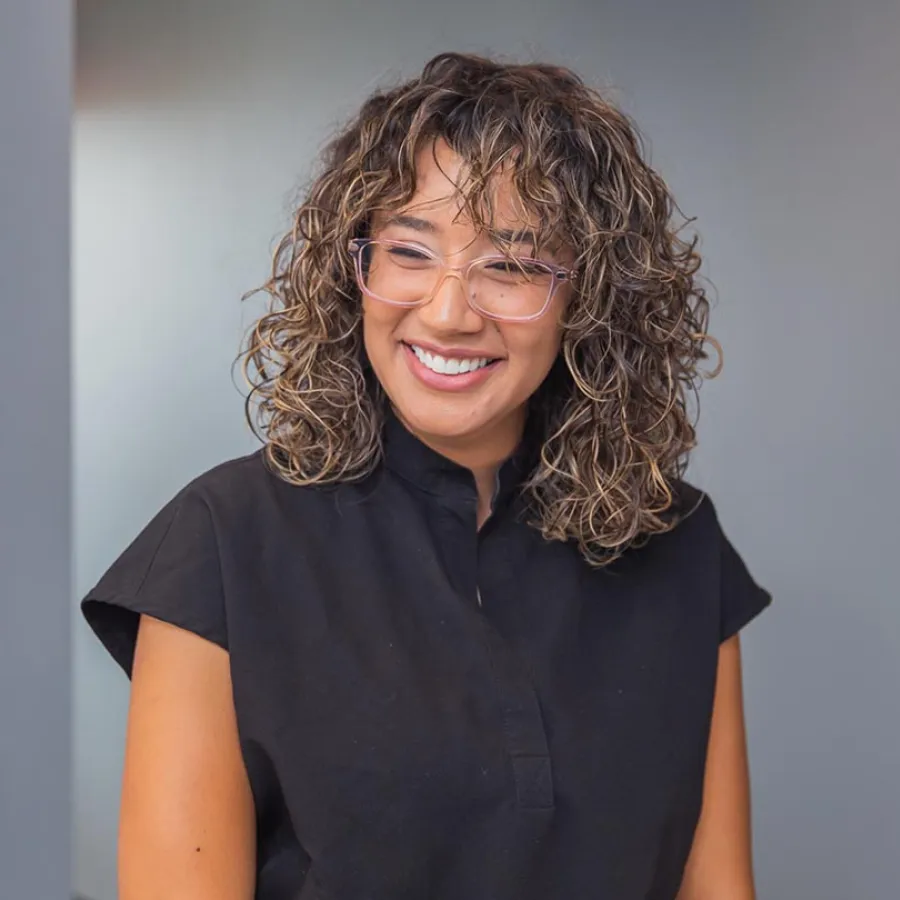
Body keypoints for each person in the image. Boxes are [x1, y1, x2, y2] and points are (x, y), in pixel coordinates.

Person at [82, 51, 772, 900]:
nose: (447, 312)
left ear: (590, 297)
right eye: (409, 250)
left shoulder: (680, 546)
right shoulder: (222, 543)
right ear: (354, 269)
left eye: (511, 266)